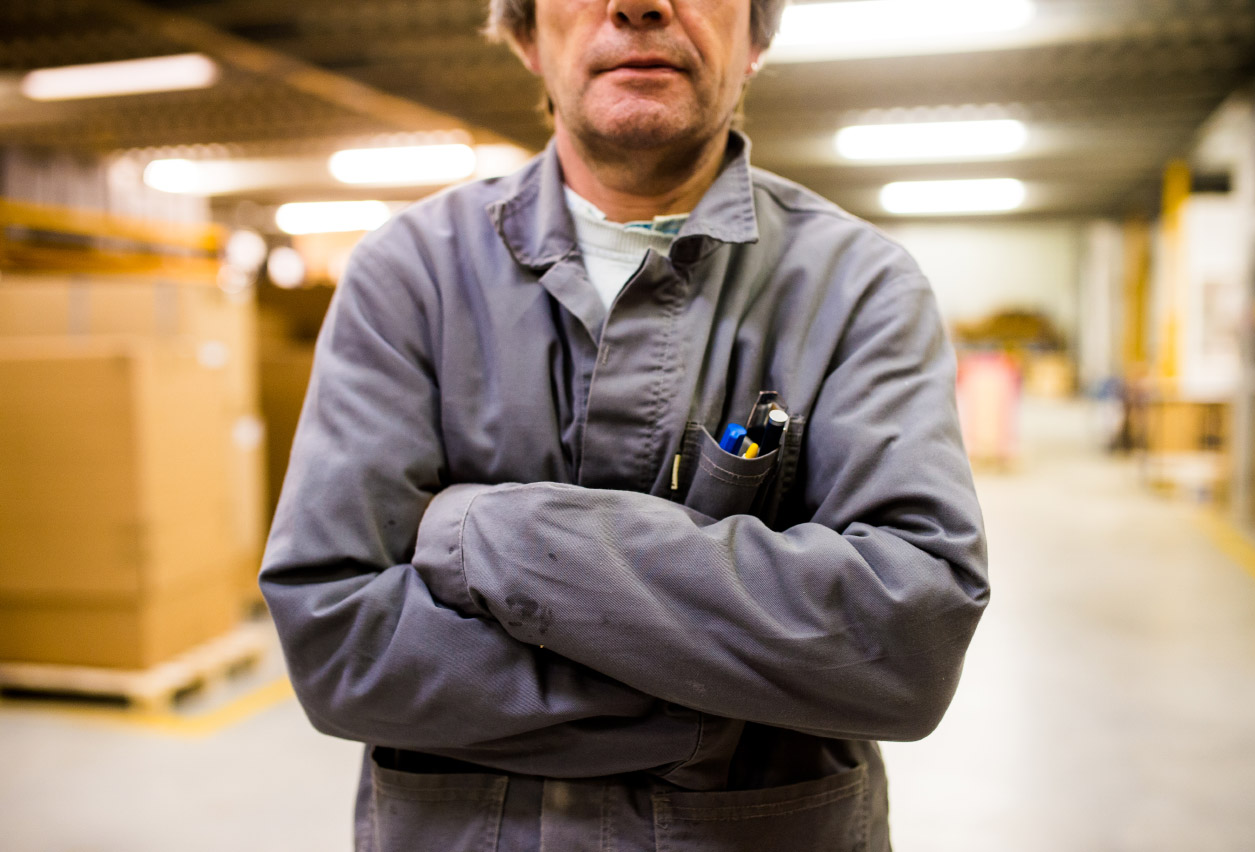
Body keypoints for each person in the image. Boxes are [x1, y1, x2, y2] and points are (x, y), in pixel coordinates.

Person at [260, 0, 990, 849]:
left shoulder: (861, 287)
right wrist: (725, 694)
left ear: (755, 37)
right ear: (526, 34)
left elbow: (907, 644)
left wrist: (483, 530)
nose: (638, 3)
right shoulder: (409, 274)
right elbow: (338, 645)